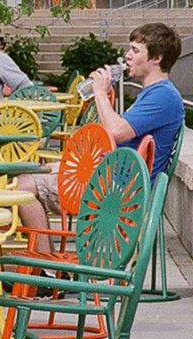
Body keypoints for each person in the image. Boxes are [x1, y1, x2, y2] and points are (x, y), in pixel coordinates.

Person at [17, 22, 184, 255]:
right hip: (110, 180)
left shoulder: (163, 96)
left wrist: (99, 92)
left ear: (156, 58)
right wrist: (68, 166)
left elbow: (115, 131)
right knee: (30, 176)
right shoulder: (155, 94)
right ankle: (45, 263)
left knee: (21, 187)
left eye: (135, 50)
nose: (127, 55)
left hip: (115, 193)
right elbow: (114, 138)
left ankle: (44, 266)